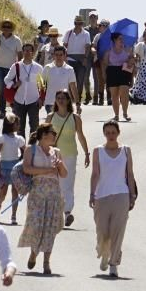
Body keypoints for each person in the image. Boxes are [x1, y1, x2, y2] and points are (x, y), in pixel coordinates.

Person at [88, 120, 137, 277]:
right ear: (104, 134)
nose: (110, 135)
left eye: (113, 132)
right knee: (102, 231)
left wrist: (132, 195)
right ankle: (104, 253)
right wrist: (92, 193)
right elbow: (95, 173)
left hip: (121, 195)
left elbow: (130, 174)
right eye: (107, 133)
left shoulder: (126, 151)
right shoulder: (98, 151)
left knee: (118, 231)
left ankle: (113, 263)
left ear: (118, 133)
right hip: (102, 195)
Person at [18, 123, 67, 275]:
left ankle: (46, 261)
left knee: (50, 227)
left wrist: (59, 166)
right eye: (51, 133)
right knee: (36, 224)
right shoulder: (30, 150)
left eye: (54, 134)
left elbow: (64, 174)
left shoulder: (56, 152)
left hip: (54, 192)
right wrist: (47, 170)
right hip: (37, 192)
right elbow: (27, 168)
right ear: (43, 135)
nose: (53, 136)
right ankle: (34, 253)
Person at [44, 90, 90, 227]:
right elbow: (43, 136)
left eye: (63, 98)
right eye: (58, 98)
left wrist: (86, 153)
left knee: (68, 184)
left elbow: (80, 135)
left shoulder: (75, 118)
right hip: (53, 155)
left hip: (70, 154)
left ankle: (67, 212)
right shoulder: (50, 117)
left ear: (68, 100)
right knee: (54, 184)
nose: (61, 100)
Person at [5, 42, 46, 139]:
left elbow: (42, 85)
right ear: (22, 52)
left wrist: (41, 99)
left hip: (33, 101)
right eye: (25, 50)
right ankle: (22, 151)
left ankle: (32, 150)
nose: (27, 52)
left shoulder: (38, 68)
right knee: (19, 127)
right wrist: (14, 85)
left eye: (29, 50)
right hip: (18, 100)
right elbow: (7, 79)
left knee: (34, 127)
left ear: (33, 52)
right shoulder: (16, 66)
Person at [0, 20, 23, 120]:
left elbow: (20, 55)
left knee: (12, 88)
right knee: (1, 89)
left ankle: (15, 109)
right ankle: (2, 112)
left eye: (8, 26)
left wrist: (19, 67)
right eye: (5, 26)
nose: (6, 28)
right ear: (2, 28)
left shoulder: (16, 40)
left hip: (12, 68)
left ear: (11, 28)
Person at [0, 114, 25, 225]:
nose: (18, 125)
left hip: (15, 168)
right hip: (4, 168)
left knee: (15, 191)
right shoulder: (2, 138)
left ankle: (13, 215)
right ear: (11, 125)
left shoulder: (19, 139)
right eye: (17, 123)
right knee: (3, 191)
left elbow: (25, 152)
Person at [101, 32, 133, 122]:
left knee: (124, 93)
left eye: (122, 39)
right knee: (114, 95)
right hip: (112, 72)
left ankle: (125, 113)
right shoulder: (108, 51)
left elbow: (132, 60)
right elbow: (105, 64)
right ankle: (116, 115)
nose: (122, 40)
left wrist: (132, 59)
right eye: (120, 39)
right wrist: (104, 75)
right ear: (114, 40)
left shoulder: (127, 50)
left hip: (124, 71)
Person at [65, 15, 93, 107]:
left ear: (82, 24)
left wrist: (85, 57)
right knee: (70, 80)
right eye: (77, 23)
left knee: (80, 80)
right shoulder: (68, 33)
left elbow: (88, 46)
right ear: (74, 23)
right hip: (70, 58)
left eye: (80, 23)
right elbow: (65, 45)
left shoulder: (86, 34)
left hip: (81, 59)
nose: (78, 25)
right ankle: (70, 99)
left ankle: (78, 99)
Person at [42, 45, 79, 112]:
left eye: (61, 55)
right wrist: (40, 100)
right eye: (56, 55)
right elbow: (41, 86)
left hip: (64, 103)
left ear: (65, 56)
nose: (58, 57)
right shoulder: (47, 68)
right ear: (53, 56)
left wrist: (77, 104)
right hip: (50, 103)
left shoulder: (69, 69)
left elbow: (73, 86)